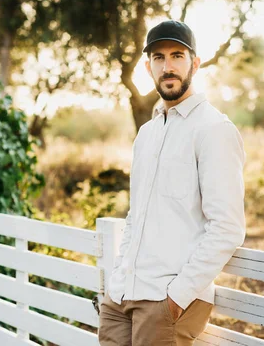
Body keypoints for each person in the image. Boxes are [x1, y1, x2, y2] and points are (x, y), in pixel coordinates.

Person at [98, 20, 246, 346]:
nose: (168, 67)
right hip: (123, 294)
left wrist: (177, 296)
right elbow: (136, 215)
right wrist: (118, 279)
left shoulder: (213, 129)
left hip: (166, 300)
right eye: (158, 58)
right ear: (148, 67)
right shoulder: (147, 134)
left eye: (177, 56)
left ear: (195, 63)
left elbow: (228, 226)